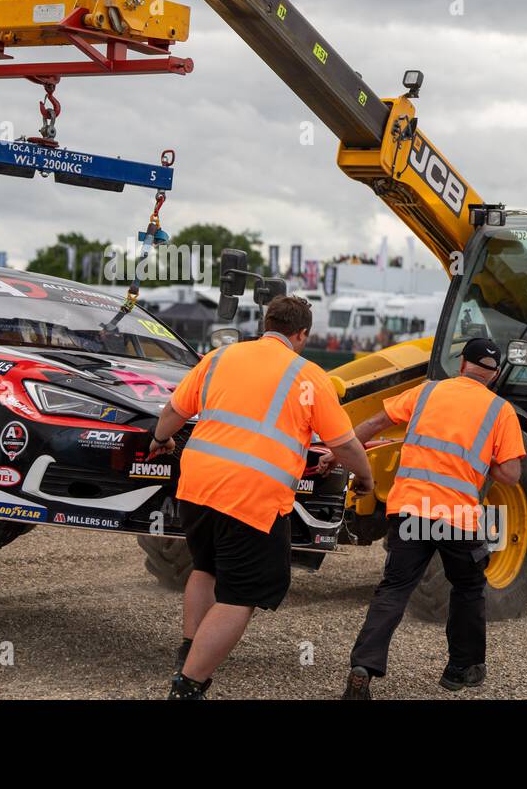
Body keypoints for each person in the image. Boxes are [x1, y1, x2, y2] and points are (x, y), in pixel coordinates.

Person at [147, 295, 376, 699]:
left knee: (206, 567)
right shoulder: (310, 376)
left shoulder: (220, 358)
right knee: (244, 594)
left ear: (266, 322)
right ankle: (188, 685)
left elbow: (172, 412)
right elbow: (345, 445)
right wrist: (366, 478)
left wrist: (160, 440)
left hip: (197, 487)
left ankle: (190, 648)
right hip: (252, 496)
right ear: (302, 334)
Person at [340, 337, 525, 698]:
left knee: (393, 589)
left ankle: (364, 666)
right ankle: (460, 670)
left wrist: (340, 454)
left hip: (410, 511)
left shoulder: (426, 393)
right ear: (495, 374)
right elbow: (512, 475)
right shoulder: (499, 410)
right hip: (457, 517)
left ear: (461, 365)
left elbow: (375, 422)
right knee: (468, 588)